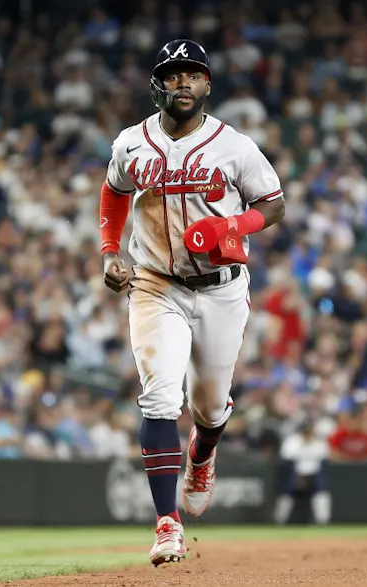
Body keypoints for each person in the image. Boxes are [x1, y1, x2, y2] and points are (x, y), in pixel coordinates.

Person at [99, 39, 285, 566]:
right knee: (159, 396)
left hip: (222, 288)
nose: (183, 82)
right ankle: (166, 525)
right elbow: (113, 193)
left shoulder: (235, 146)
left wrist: (236, 224)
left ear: (207, 84)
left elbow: (273, 204)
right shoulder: (132, 144)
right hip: (157, 285)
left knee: (209, 406)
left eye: (193, 74)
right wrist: (111, 252)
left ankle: (202, 454)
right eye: (173, 73)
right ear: (158, 84)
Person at [273, 420, 332, 525]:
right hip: (296, 473)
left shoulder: (319, 443)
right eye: (304, 431)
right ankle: (279, 521)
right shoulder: (292, 441)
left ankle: (323, 521)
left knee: (322, 493)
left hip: (314, 474)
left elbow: (324, 460)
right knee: (286, 493)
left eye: (308, 431)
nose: (306, 434)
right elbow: (287, 460)